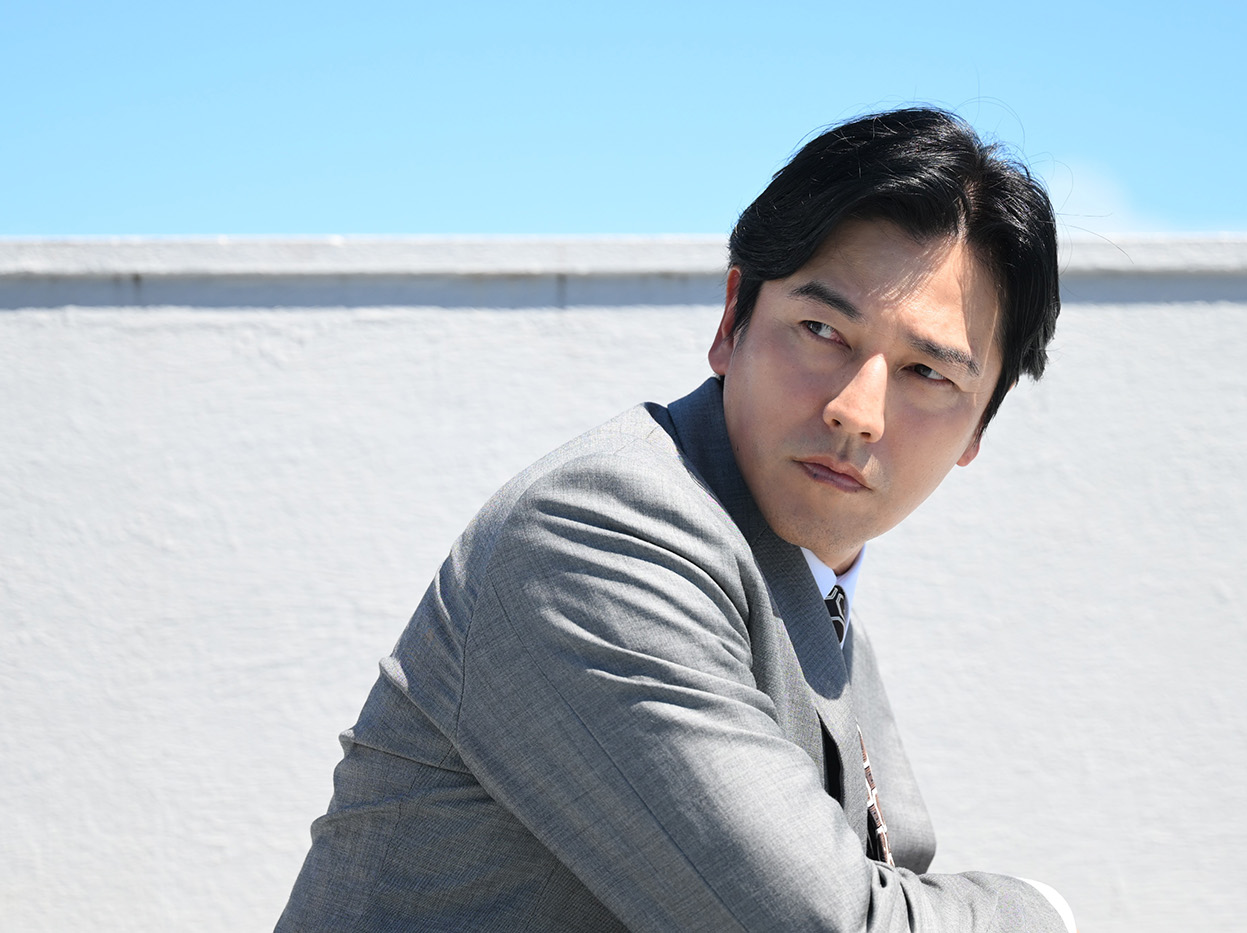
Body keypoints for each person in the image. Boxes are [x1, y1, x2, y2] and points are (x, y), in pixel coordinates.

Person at [276, 107, 1075, 932]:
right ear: (731, 322)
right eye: (821, 330)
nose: (857, 410)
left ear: (978, 428)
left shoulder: (811, 590)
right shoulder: (601, 536)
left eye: (926, 373)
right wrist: (1047, 911)